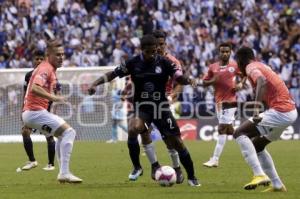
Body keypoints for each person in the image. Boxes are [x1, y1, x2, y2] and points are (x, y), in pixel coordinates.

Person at [88, 35, 200, 186]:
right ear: (142, 50)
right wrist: (95, 83)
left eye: (155, 51)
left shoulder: (164, 62)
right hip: (142, 107)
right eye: (149, 52)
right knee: (134, 128)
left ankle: (192, 177)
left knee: (177, 143)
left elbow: (178, 76)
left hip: (161, 107)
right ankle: (137, 167)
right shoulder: (133, 63)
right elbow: (113, 74)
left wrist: (189, 80)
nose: (153, 54)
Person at [233, 46, 297, 192]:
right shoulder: (261, 65)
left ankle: (259, 174)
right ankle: (277, 185)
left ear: (241, 61)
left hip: (281, 111)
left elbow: (262, 81)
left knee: (239, 133)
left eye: (238, 63)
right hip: (289, 111)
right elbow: (265, 87)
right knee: (257, 146)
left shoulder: (250, 67)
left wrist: (256, 110)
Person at [22, 39, 82, 183]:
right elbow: (35, 88)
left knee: (62, 135)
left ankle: (63, 173)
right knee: (69, 132)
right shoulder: (46, 68)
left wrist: (58, 99)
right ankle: (64, 173)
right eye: (57, 55)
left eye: (62, 54)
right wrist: (53, 98)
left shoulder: (50, 69)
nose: (61, 57)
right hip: (34, 112)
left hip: (34, 112)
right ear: (49, 55)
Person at [200, 42, 244, 168]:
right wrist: (213, 80)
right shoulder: (213, 67)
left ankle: (215, 159)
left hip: (230, 102)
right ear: (219, 52)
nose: (225, 53)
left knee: (221, 129)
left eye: (227, 51)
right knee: (229, 130)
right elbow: (204, 82)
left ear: (230, 52)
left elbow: (245, 75)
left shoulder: (235, 66)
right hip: (218, 102)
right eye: (222, 51)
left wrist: (241, 84)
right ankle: (250, 139)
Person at [21, 50, 56, 171]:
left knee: (49, 135)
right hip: (30, 110)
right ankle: (32, 160)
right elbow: (25, 94)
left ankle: (51, 164)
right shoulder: (28, 75)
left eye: (41, 59)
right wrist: (23, 110)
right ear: (33, 60)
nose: (39, 61)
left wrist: (47, 111)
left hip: (43, 110)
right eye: (37, 59)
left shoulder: (49, 74)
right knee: (25, 132)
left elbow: (52, 95)